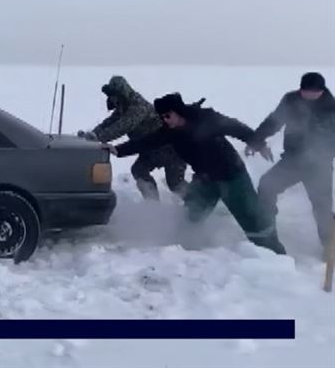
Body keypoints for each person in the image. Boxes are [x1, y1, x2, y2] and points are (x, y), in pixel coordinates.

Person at [108, 93, 286, 255]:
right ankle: (184, 252)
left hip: (231, 176)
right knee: (190, 216)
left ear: (178, 111)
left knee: (252, 218)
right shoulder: (170, 132)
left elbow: (236, 128)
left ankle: (274, 254)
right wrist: (118, 149)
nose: (165, 120)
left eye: (167, 115)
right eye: (162, 117)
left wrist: (258, 143)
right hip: (205, 179)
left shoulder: (206, 118)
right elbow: (146, 142)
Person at [247, 72, 335, 250]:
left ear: (322, 91)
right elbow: (274, 121)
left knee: (322, 207)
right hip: (292, 160)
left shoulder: (331, 107)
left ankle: (329, 246)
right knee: (266, 186)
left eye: (314, 92)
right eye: (305, 91)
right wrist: (256, 140)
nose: (309, 95)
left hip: (319, 165)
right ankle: (267, 232)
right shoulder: (291, 100)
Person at [79, 76, 188, 200]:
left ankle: (199, 203)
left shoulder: (138, 106)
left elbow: (124, 125)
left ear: (122, 93)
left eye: (115, 95)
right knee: (139, 170)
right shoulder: (123, 108)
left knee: (175, 184)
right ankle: (153, 205)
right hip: (151, 149)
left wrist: (99, 137)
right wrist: (93, 134)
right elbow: (110, 122)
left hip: (170, 150)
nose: (113, 100)